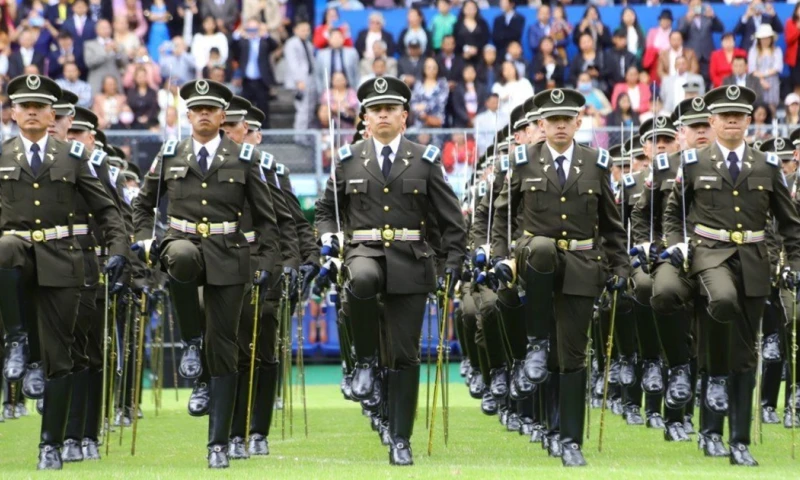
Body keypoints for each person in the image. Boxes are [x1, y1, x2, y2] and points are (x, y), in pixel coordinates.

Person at [315, 75, 466, 466]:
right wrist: (330, 239)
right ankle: (364, 361)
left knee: (404, 354)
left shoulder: (425, 159)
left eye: (390, 109)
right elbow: (325, 210)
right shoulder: (348, 159)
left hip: (410, 260)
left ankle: (400, 438)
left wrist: (452, 264)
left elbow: (451, 219)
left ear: (404, 116)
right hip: (363, 251)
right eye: (375, 110)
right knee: (362, 279)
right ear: (365, 118)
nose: (383, 115)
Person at [131, 79, 279, 468]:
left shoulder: (243, 157)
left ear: (221, 115)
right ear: (188, 115)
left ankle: (219, 443)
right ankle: (191, 340)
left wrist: (266, 263)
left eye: (210, 110)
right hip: (181, 243)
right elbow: (143, 205)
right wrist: (145, 240)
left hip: (229, 255)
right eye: (197, 110)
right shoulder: (170, 154)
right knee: (180, 256)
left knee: (225, 348)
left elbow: (266, 218)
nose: (203, 115)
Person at [663, 84, 800, 466]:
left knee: (744, 352)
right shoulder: (694, 163)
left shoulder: (767, 165)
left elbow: (790, 224)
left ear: (749, 120)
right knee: (721, 300)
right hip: (709, 256)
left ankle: (736, 440)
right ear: (713, 121)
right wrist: (676, 245)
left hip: (754, 262)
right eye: (726, 116)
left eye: (739, 116)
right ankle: (711, 424)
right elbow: (673, 214)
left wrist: (795, 264)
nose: (733, 122)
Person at [492, 87, 628, 467]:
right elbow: (502, 216)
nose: (560, 126)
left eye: (567, 119)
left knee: (571, 354)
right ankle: (535, 341)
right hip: (535, 261)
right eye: (553, 120)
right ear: (542, 124)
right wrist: (501, 258)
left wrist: (620, 267)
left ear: (578, 122)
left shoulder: (596, 163)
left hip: (582, 263)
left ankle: (567, 438)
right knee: (542, 248)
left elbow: (611, 224)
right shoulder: (523, 161)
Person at [0, 74, 128, 470]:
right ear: (13, 113)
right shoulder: (2, 156)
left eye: (39, 107)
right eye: (25, 106)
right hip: (18, 257)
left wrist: (118, 250)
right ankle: (18, 339)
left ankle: (51, 445)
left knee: (61, 357)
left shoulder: (72, 156)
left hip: (63, 261)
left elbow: (106, 209)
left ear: (51, 114)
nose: (32, 112)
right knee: (5, 247)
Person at [232, 18, 279, 128]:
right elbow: (233, 47)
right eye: (250, 29)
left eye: (255, 29)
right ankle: (246, 131)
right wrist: (238, 33)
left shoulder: (264, 41)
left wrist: (265, 34)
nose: (252, 32)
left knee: (263, 108)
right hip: (246, 80)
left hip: (261, 80)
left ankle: (265, 132)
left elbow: (275, 45)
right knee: (246, 109)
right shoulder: (243, 41)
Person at [284, 20, 316, 137]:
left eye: (307, 30)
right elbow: (293, 63)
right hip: (300, 81)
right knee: (303, 109)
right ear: (295, 30)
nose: (305, 32)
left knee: (310, 109)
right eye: (303, 30)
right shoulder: (292, 43)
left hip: (310, 78)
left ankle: (306, 135)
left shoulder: (308, 44)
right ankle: (299, 136)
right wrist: (298, 80)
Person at [678, 0, 725, 82]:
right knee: (692, 81)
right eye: (694, 5)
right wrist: (688, 21)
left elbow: (720, 28)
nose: (696, 6)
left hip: (707, 55)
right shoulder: (683, 19)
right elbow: (681, 35)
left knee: (707, 80)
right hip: (691, 56)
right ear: (689, 6)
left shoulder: (708, 17)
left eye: (698, 4)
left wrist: (713, 16)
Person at [84, 19, 128, 95]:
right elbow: (89, 63)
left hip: (115, 82)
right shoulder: (89, 45)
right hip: (97, 82)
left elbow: (125, 63)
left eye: (108, 28)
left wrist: (118, 53)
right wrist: (105, 52)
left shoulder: (118, 44)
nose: (106, 30)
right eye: (103, 28)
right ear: (97, 30)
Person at [315, 28, 360, 100]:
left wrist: (356, 89)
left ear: (343, 39)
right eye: (334, 37)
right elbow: (318, 75)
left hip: (349, 90)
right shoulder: (321, 54)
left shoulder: (352, 52)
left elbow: (356, 73)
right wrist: (321, 91)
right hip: (328, 90)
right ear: (329, 40)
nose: (337, 40)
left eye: (339, 37)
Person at [748, 24, 783, 113]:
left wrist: (763, 74)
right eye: (763, 38)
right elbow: (752, 69)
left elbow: (777, 67)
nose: (765, 40)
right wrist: (761, 80)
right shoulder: (753, 51)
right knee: (757, 107)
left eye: (767, 38)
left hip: (772, 83)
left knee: (772, 107)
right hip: (756, 82)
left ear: (771, 39)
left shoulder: (777, 50)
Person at [410, 58, 449, 129]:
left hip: (437, 122)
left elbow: (440, 102)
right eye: (429, 67)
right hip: (420, 123)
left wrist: (424, 106)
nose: (432, 70)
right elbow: (413, 104)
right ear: (424, 69)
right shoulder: (418, 84)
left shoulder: (442, 83)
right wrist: (422, 114)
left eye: (434, 67)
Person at [454, 0, 490, 66]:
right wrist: (466, 49)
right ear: (463, 9)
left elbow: (485, 38)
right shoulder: (457, 24)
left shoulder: (482, 23)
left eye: (472, 8)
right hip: (462, 55)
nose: (470, 10)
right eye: (468, 7)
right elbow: (456, 39)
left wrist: (476, 49)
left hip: (479, 55)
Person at [452, 64, 488, 129]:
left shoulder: (481, 88)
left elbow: (484, 104)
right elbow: (457, 106)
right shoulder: (458, 88)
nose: (469, 74)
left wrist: (476, 118)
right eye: (467, 71)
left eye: (471, 72)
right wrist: (467, 119)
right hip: (461, 123)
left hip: (479, 121)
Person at [785, 4, 800, 94]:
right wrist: (798, 30)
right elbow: (789, 40)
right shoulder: (790, 22)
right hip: (795, 59)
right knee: (797, 83)